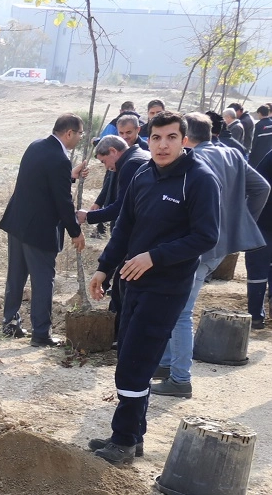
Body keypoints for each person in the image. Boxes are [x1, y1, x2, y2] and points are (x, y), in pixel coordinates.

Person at [87, 112, 220, 465]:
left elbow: (206, 236)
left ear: (183, 140)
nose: (163, 145)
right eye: (157, 138)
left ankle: (124, 441)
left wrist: (155, 257)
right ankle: (133, 435)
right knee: (132, 358)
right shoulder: (144, 174)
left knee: (135, 362)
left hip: (166, 287)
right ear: (149, 139)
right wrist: (104, 269)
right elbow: (124, 228)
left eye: (171, 138)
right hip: (131, 283)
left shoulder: (199, 180)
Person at [151, 112, 268, 397]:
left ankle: (180, 379)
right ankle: (166, 364)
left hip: (196, 246)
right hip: (218, 246)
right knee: (175, 306)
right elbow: (262, 188)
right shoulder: (231, 154)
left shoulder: (195, 162)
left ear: (185, 138)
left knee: (180, 311)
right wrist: (236, 223)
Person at [0, 114, 87, 344]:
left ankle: (10, 323)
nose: (80, 138)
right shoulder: (59, 159)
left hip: (18, 222)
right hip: (39, 230)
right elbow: (62, 201)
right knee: (43, 280)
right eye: (79, 134)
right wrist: (75, 232)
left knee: (16, 276)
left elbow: (42, 182)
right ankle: (41, 334)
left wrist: (70, 177)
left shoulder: (36, 145)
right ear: (69, 133)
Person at [78, 133, 151, 320]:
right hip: (143, 234)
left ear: (113, 151)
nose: (106, 168)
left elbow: (122, 208)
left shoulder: (130, 165)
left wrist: (89, 216)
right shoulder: (139, 157)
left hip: (139, 236)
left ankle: (119, 333)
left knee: (123, 284)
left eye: (104, 162)